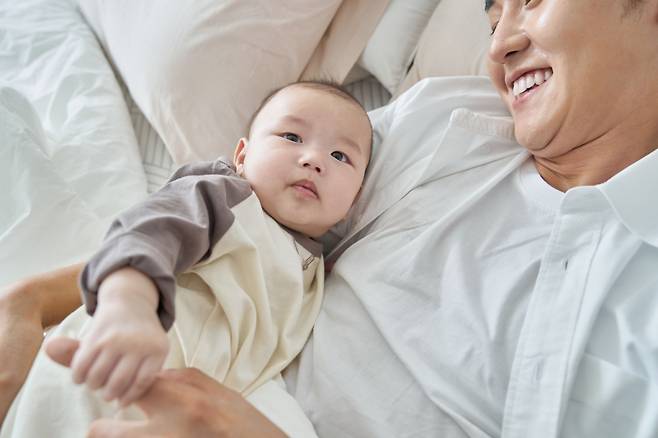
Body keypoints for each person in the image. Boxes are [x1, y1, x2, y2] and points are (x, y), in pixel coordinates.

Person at [2, 0, 658, 436]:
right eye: (490, 21)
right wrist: (32, 302)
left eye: (534, 0)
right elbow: (236, 202)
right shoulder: (446, 125)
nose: (501, 47)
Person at [0, 80, 372, 437]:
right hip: (117, 354)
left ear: (352, 203)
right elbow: (149, 233)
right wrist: (129, 304)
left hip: (194, 402)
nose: (313, 160)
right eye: (292, 137)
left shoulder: (320, 272)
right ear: (242, 156)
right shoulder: (224, 196)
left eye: (340, 156)